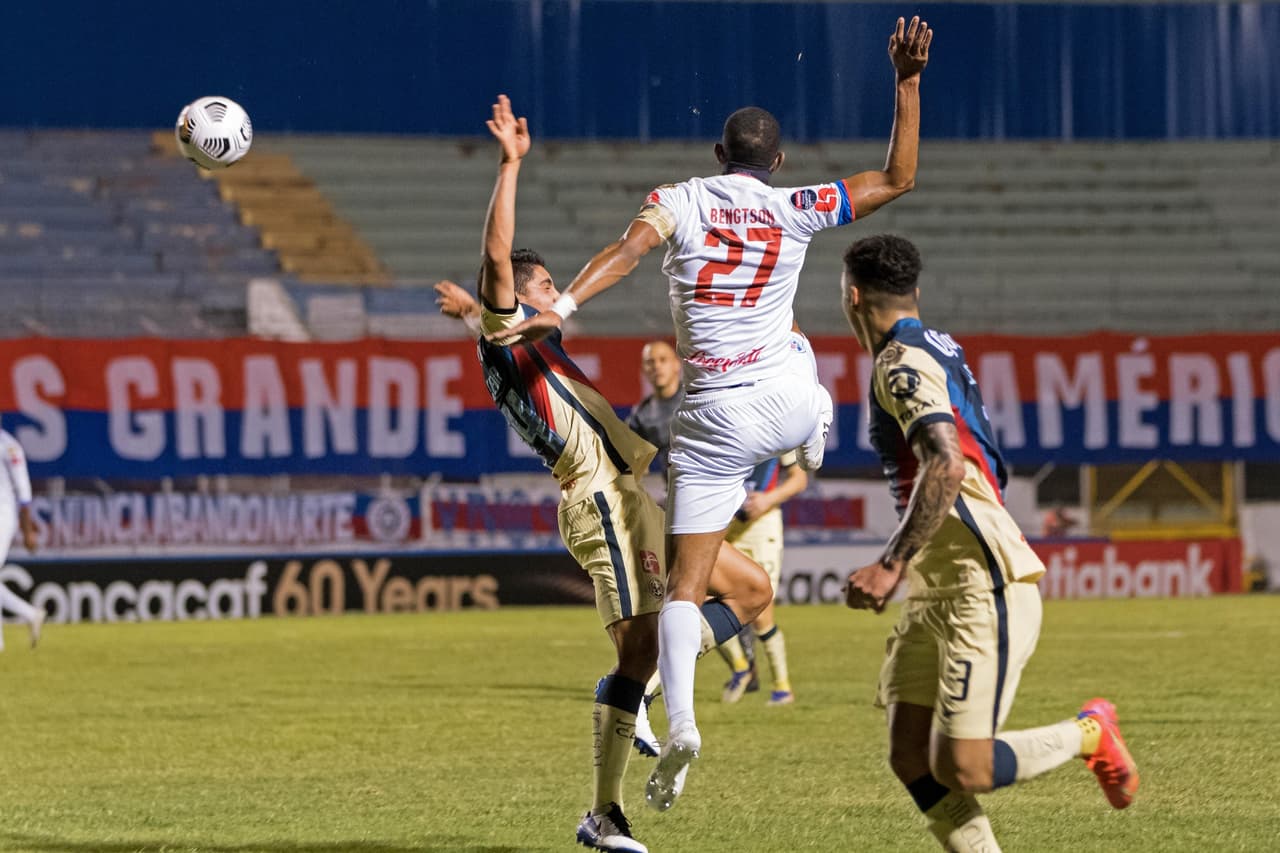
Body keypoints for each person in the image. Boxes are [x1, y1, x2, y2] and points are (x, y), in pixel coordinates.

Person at [494, 16, 934, 812]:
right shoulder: (798, 204)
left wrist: (563, 300)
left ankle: (686, 721)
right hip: (786, 400)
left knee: (686, 589)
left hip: (714, 422)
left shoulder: (679, 201)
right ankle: (820, 435)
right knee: (802, 347)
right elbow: (898, 178)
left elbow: (626, 253)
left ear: (716, 158)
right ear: (778, 164)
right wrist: (905, 81)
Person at [435, 94, 772, 853]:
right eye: (548, 285)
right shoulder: (508, 336)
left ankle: (644, 691)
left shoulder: (527, 345)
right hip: (600, 505)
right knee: (639, 648)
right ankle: (604, 813)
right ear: (518, 298)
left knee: (751, 591)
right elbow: (496, 260)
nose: (558, 295)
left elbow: (496, 293)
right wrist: (511, 165)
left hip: (634, 496)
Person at [840, 234, 1139, 851]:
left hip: (981, 580)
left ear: (852, 296)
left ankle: (1091, 734)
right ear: (914, 293)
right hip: (938, 583)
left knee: (965, 767)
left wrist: (890, 562)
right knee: (910, 756)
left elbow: (947, 465)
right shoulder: (934, 346)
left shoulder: (900, 362)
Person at [718, 452, 806, 706]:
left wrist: (768, 499)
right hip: (727, 522)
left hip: (762, 526)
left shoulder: (780, 430)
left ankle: (782, 688)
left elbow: (799, 480)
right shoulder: (726, 425)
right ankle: (741, 666)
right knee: (699, 593)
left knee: (762, 612)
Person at [0, 427, 44, 650]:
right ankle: (30, 614)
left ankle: (28, 614)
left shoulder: (9, 446)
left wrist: (27, 531)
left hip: (3, 516)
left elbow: (24, 493)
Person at [626, 341, 684, 478]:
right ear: (643, 370)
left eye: (663, 360)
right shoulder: (641, 415)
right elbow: (631, 461)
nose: (656, 366)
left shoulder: (697, 399)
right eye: (650, 362)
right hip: (675, 492)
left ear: (677, 364)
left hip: (716, 486)